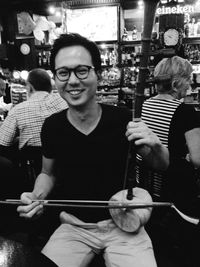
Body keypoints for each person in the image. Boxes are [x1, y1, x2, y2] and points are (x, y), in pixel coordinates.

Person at [17, 33, 169, 267]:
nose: (73, 81)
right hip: (72, 226)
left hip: (125, 224)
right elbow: (48, 173)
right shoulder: (53, 126)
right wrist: (37, 198)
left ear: (97, 73)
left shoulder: (123, 120)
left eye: (82, 70)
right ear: (56, 79)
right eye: (63, 73)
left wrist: (156, 145)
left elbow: (161, 164)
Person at [139, 56, 200, 266]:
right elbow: (199, 159)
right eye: (188, 79)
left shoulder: (145, 105)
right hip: (176, 191)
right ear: (176, 83)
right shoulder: (185, 112)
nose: (190, 84)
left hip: (148, 186)